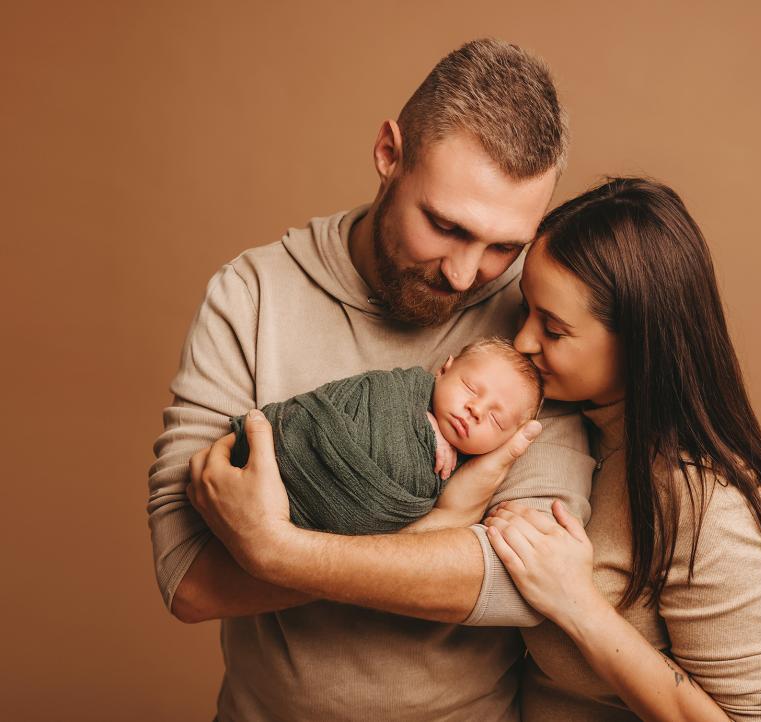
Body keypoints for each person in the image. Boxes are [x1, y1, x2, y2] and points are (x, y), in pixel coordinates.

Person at [148, 39, 596, 721]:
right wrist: (444, 525)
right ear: (389, 153)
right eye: (445, 226)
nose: (465, 273)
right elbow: (190, 582)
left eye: (504, 244)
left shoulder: (533, 317)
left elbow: (520, 579)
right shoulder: (254, 294)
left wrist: (273, 547)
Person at [483, 177, 761, 721]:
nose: (523, 342)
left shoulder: (710, 503)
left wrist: (577, 604)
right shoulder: (569, 425)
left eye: (554, 330)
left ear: (638, 341)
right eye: (526, 312)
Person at [226, 337, 543, 535]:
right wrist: (426, 425)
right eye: (471, 388)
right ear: (444, 370)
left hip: (304, 523)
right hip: (297, 445)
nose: (475, 409)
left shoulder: (467, 475)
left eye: (495, 419)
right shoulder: (397, 391)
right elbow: (366, 400)